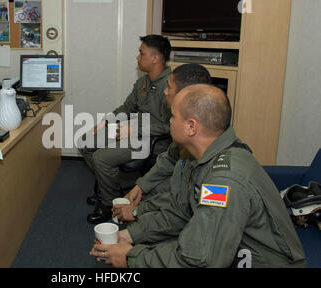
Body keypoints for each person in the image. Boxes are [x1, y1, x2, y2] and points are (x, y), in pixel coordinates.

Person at [90, 84, 307, 268]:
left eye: (173, 116)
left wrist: (132, 258)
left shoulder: (224, 181)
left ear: (191, 127)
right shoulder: (199, 158)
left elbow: (198, 259)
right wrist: (130, 236)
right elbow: (180, 214)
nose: (170, 123)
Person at [80, 34, 173, 224]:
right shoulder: (143, 82)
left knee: (101, 158)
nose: (137, 57)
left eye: (141, 53)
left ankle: (109, 204)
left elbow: (170, 126)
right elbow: (127, 108)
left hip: (154, 142)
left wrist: (137, 130)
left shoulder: (171, 85)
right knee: (86, 142)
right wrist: (105, 123)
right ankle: (112, 193)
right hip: (131, 132)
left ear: (155, 58)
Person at [112, 64, 212, 223]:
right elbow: (169, 159)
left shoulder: (219, 177)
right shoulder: (190, 132)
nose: (165, 91)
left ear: (185, 96)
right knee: (148, 193)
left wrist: (137, 215)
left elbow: (199, 236)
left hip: (200, 229)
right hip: (185, 203)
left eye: (169, 87)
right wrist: (140, 186)